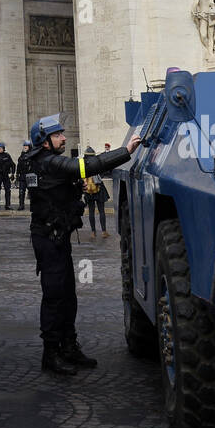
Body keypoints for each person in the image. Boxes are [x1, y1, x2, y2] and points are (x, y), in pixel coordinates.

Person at [26, 114, 141, 375]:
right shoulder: (48, 163)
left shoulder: (44, 160)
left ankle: (68, 346)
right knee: (55, 297)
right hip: (48, 238)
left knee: (67, 294)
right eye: (57, 135)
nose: (64, 138)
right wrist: (126, 151)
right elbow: (86, 167)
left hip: (58, 236)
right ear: (44, 142)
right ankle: (51, 354)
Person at [83, 145, 109, 237]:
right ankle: (104, 232)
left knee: (91, 211)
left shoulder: (83, 165)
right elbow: (104, 173)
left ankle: (93, 232)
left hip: (88, 191)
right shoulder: (97, 164)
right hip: (99, 189)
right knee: (101, 211)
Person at [17, 140, 32, 210]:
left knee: (32, 192)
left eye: (26, 146)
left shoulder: (32, 155)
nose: (25, 147)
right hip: (22, 176)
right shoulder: (21, 156)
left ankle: (33, 205)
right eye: (24, 146)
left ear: (29, 147)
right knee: (21, 191)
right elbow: (18, 166)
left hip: (30, 176)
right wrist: (17, 174)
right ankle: (21, 205)